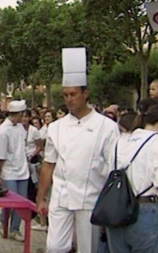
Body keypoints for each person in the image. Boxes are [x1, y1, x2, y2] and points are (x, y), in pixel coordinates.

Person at [36, 48, 120, 253]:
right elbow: (48, 165)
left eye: (74, 94)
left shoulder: (106, 127)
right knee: (54, 247)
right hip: (60, 197)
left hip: (91, 199)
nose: (69, 99)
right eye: (65, 95)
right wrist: (40, 198)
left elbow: (114, 167)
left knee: (87, 249)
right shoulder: (56, 127)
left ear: (85, 93)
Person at [106, 104, 158, 252]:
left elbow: (109, 173)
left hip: (115, 210)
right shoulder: (156, 142)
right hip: (146, 210)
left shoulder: (119, 141)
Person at [0, 100, 29, 242]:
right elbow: (0, 156)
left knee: (21, 203)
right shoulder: (3, 131)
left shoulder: (21, 128)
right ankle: (3, 220)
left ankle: (15, 229)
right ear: (18, 113)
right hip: (9, 171)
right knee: (12, 202)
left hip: (23, 170)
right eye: (22, 114)